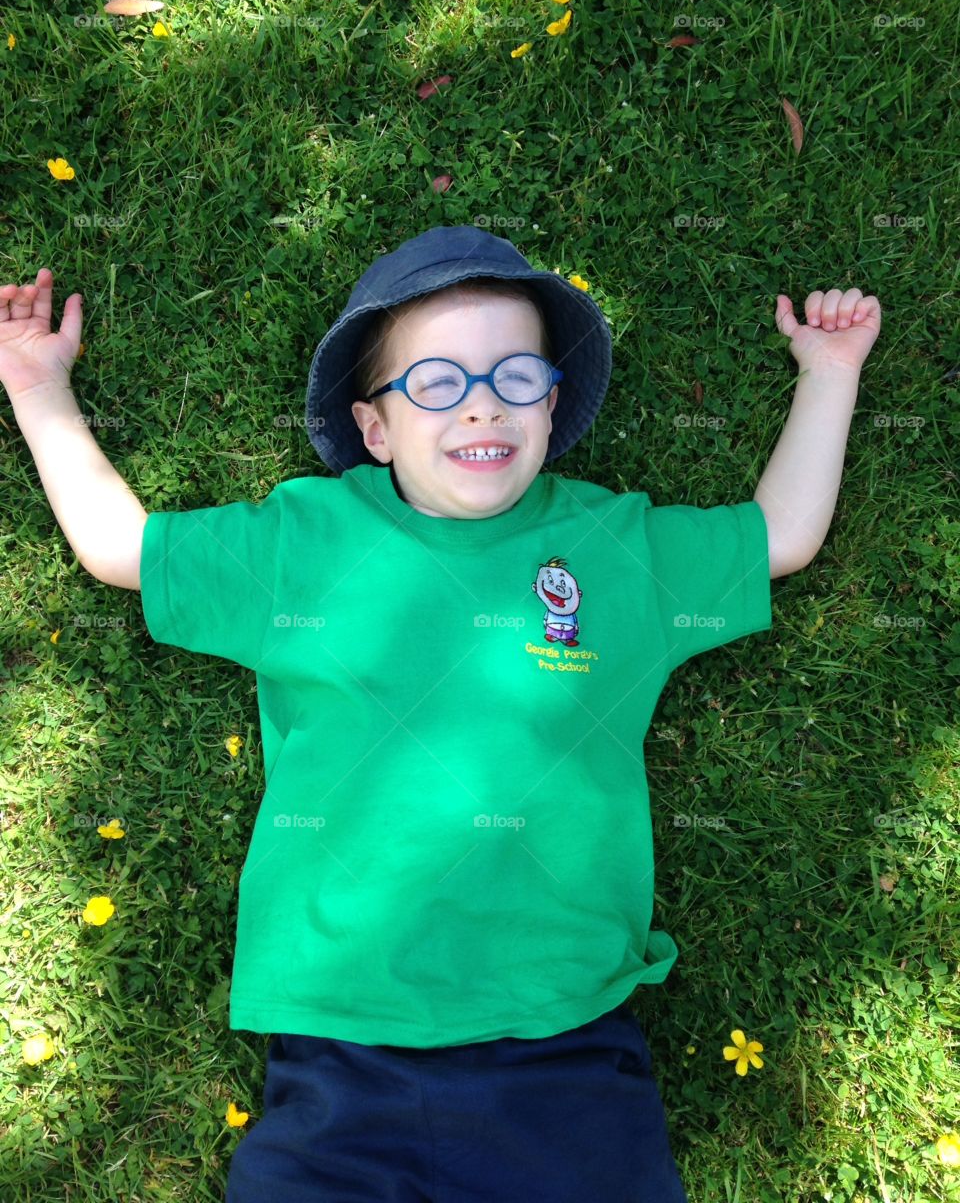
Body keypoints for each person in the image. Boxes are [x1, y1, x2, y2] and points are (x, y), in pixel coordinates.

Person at [0, 226, 881, 1201]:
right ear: (374, 429)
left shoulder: (615, 544)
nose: (481, 403)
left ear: (552, 400)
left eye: (514, 375)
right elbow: (122, 547)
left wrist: (829, 370)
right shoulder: (307, 539)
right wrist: (39, 386)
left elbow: (782, 537)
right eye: (435, 383)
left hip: (564, 1044)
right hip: (341, 1043)